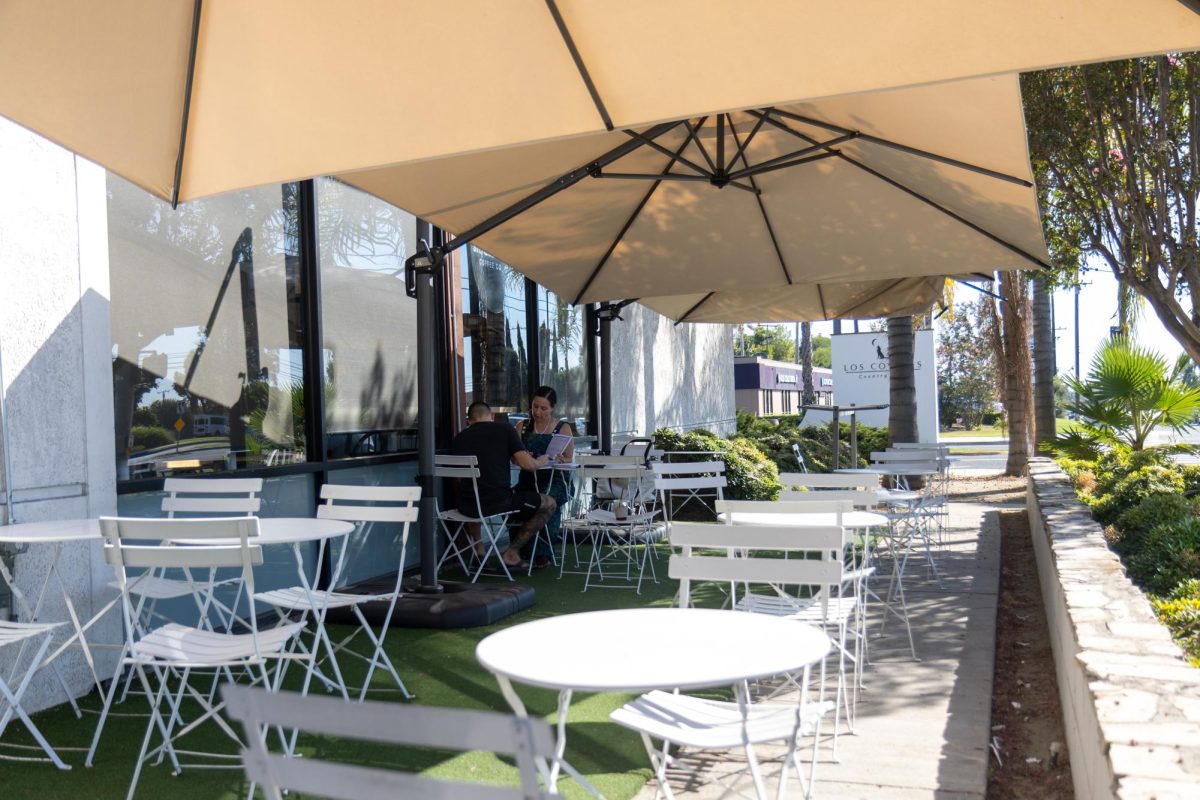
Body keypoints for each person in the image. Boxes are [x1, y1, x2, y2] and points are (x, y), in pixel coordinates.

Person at [450, 400, 556, 572]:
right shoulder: (504, 429)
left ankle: (479, 551)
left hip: (465, 506)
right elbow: (527, 465)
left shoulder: (458, 439)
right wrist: (541, 461)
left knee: (474, 492)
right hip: (499, 503)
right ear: (491, 416)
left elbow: (461, 481)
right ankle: (511, 553)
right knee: (549, 503)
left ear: (468, 421)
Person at [514, 386, 574, 569]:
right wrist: (524, 457)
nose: (537, 412)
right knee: (516, 501)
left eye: (543, 408)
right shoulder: (521, 426)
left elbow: (569, 458)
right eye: (534, 407)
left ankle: (542, 553)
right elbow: (513, 457)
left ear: (552, 408)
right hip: (528, 478)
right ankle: (520, 550)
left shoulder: (562, 428)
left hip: (554, 479)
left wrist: (560, 459)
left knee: (550, 502)